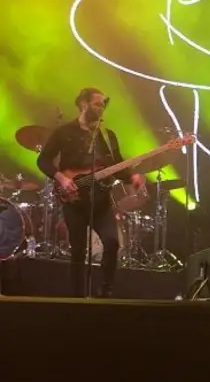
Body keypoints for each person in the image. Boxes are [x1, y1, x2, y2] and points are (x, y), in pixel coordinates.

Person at [37, 88, 145, 298]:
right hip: (74, 200)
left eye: (104, 103)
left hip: (102, 200)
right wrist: (62, 178)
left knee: (112, 242)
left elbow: (117, 164)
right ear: (83, 104)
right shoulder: (64, 132)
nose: (102, 107)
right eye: (97, 103)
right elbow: (43, 160)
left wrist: (131, 177)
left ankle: (105, 292)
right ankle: (77, 298)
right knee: (78, 250)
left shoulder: (108, 135)